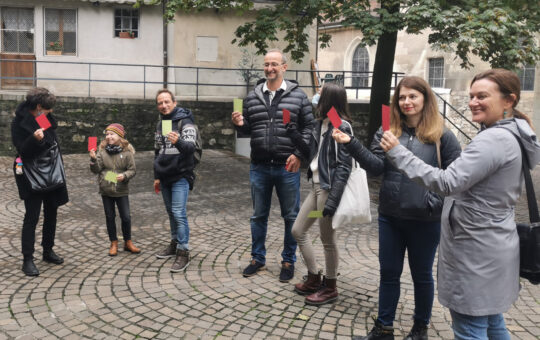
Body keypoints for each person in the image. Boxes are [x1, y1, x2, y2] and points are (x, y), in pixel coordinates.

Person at [380, 69, 540, 340]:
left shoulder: (493, 139)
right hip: (492, 241)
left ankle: (420, 325)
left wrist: (398, 152)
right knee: (492, 323)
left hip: (476, 248)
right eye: (472, 96)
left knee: (469, 329)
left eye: (482, 96)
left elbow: (447, 182)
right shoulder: (514, 133)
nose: (473, 102)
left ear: (508, 100)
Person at [333, 76, 462, 340]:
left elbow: (457, 178)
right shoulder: (387, 131)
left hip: (425, 220)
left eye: (412, 96)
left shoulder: (443, 136)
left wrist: (434, 202)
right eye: (402, 97)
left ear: (425, 98)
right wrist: (351, 143)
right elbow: (377, 167)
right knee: (388, 273)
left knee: (422, 275)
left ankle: (420, 329)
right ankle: (384, 329)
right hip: (390, 216)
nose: (406, 102)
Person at [231, 48, 315, 282]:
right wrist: (239, 124)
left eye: (274, 64)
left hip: (287, 166)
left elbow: (309, 129)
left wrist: (299, 154)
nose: (269, 68)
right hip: (258, 166)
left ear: (284, 67)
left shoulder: (298, 97)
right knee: (258, 216)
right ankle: (257, 258)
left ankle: (289, 260)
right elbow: (249, 129)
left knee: (291, 216)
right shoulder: (252, 96)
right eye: (266, 64)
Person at [290, 83, 352, 305]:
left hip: (327, 190)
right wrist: (293, 133)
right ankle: (314, 276)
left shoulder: (339, 124)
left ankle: (331, 286)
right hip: (315, 189)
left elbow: (344, 165)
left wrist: (333, 199)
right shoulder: (321, 123)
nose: (316, 96)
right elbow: (311, 155)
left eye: (320, 94)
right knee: (298, 229)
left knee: (327, 238)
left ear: (329, 99)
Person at [11, 87, 68, 277]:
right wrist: (34, 139)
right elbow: (22, 151)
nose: (50, 113)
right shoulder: (19, 122)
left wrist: (43, 138)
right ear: (38, 107)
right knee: (32, 216)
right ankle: (28, 259)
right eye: (47, 110)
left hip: (50, 172)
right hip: (31, 175)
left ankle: (47, 250)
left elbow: (51, 139)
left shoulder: (42, 117)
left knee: (51, 212)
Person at [153, 89, 198, 273]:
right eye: (160, 103)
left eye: (166, 102)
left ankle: (183, 251)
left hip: (181, 175)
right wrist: (156, 176)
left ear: (174, 102)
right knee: (171, 213)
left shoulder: (185, 121)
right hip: (164, 175)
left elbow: (189, 149)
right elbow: (159, 151)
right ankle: (174, 242)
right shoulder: (161, 123)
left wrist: (178, 141)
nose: (163, 106)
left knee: (179, 213)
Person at [90, 123, 140, 256]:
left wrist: (124, 176)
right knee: (110, 216)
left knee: (126, 217)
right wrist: (93, 159)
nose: (109, 137)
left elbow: (132, 170)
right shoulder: (101, 151)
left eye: (112, 134)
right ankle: (113, 242)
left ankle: (128, 242)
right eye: (107, 134)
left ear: (119, 136)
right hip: (106, 190)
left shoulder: (127, 153)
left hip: (121, 189)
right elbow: (96, 170)